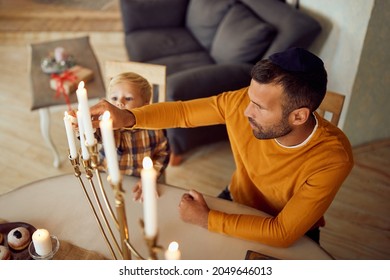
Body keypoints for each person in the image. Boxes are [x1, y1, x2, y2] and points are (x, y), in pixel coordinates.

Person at [89, 48, 354, 247]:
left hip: (293, 230)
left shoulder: (333, 158)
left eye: (259, 107)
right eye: (250, 98)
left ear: (298, 116)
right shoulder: (241, 103)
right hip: (235, 200)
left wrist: (208, 220)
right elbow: (183, 113)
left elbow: (282, 232)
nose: (246, 111)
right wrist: (129, 118)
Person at [95, 72, 170, 196]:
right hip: (109, 178)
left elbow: (163, 153)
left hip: (143, 181)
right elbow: (92, 136)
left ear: (145, 105)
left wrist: (151, 176)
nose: (120, 103)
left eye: (128, 98)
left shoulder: (155, 128)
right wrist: (82, 125)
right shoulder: (106, 124)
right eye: (114, 98)